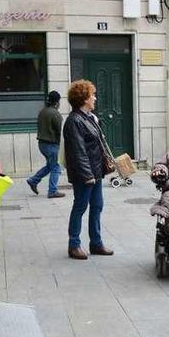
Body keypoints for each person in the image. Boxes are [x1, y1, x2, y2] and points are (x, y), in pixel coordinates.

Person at [64, 79, 113, 260]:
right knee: (80, 206)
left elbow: (97, 144)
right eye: (92, 95)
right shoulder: (74, 121)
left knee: (97, 206)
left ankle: (96, 243)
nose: (95, 98)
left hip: (96, 171)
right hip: (85, 174)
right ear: (84, 98)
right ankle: (74, 244)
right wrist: (87, 175)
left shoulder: (88, 118)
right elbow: (78, 151)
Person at [26, 90, 65, 198]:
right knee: (56, 167)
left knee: (50, 166)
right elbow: (60, 131)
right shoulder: (55, 113)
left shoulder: (42, 111)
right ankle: (52, 191)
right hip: (51, 144)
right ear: (57, 102)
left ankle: (33, 180)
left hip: (42, 144)